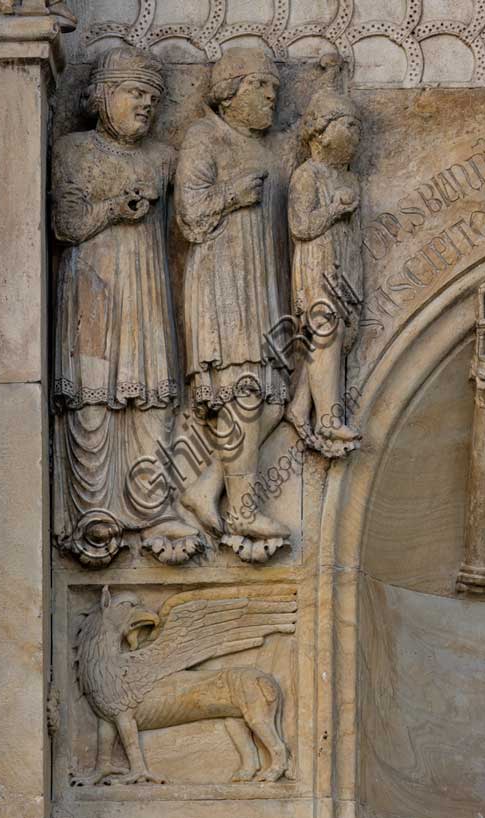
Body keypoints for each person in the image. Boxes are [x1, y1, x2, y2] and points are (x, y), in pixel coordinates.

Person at [52, 45, 200, 566]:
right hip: (91, 289)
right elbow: (64, 225)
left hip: (148, 290)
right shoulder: (73, 151)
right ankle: (92, 508)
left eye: (153, 99)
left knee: (152, 395)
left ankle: (153, 504)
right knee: (92, 394)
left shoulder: (163, 158)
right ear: (102, 97)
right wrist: (117, 207)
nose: (146, 106)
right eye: (135, 94)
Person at [175, 47, 294, 546]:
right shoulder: (205, 137)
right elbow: (191, 212)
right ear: (230, 92)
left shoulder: (268, 148)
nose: (271, 96)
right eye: (261, 86)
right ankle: (243, 510)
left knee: (273, 402)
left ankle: (206, 488)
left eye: (274, 88)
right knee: (245, 396)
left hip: (261, 286)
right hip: (222, 285)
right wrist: (234, 195)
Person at [286, 89, 363, 456]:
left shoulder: (348, 178)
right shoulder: (307, 175)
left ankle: (301, 405)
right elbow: (300, 225)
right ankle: (329, 419)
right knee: (324, 330)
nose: (355, 134)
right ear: (322, 131)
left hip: (342, 266)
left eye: (357, 127)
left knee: (335, 335)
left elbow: (354, 234)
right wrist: (334, 209)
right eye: (348, 125)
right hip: (316, 263)